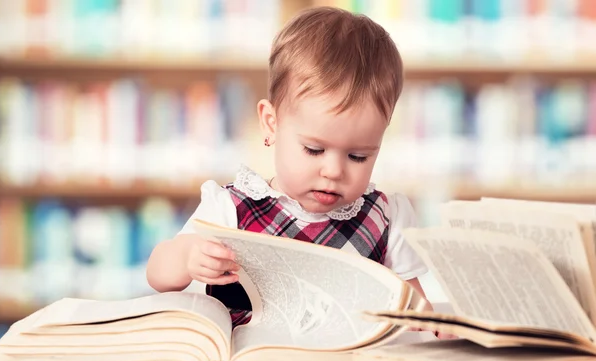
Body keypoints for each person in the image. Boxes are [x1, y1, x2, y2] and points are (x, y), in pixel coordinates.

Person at [147, 6, 443, 334]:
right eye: (314, 150)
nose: (333, 171)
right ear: (271, 124)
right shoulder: (231, 210)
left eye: (358, 156)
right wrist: (188, 256)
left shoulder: (386, 218)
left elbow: (414, 308)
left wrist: (430, 325)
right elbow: (157, 274)